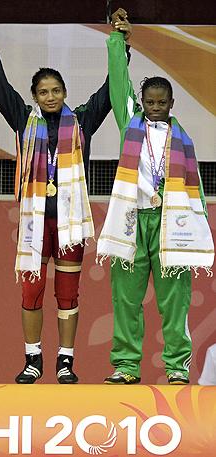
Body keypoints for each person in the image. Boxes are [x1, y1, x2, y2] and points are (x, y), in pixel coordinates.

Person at [0, 13, 130, 384]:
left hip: (69, 223)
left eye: (55, 91)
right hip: (35, 223)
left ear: (65, 92)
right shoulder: (23, 119)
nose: (50, 97)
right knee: (31, 291)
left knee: (67, 294)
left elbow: (112, 89)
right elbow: (0, 89)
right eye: (43, 92)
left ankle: (65, 361)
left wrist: (121, 44)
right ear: (34, 97)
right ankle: (32, 359)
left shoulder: (83, 121)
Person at [97, 9, 214, 385]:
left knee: (175, 302)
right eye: (150, 101)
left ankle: (178, 367)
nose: (156, 107)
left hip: (171, 224)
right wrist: (119, 41)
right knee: (126, 300)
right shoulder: (130, 122)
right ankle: (126, 367)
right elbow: (119, 82)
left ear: (171, 102)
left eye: (162, 102)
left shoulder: (182, 139)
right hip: (134, 221)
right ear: (142, 101)